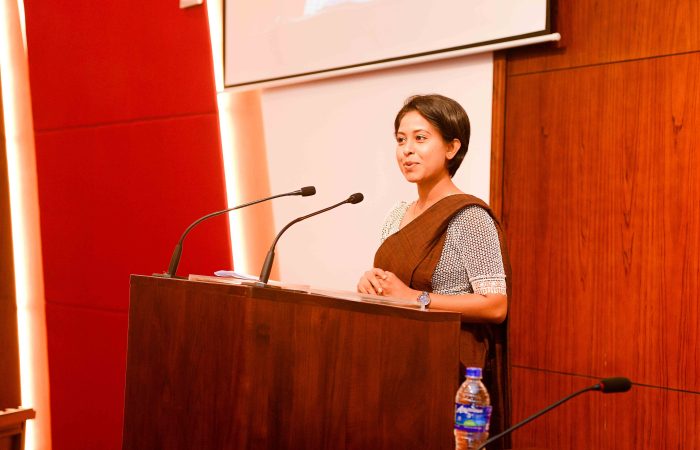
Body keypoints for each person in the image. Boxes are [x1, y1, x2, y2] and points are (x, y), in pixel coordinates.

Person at [356, 94, 511, 447]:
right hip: (395, 361)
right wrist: (370, 283)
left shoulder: (469, 217)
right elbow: (391, 286)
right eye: (401, 139)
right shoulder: (397, 214)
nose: (407, 150)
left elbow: (495, 304)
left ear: (452, 148)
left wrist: (416, 298)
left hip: (447, 369)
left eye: (420, 138)